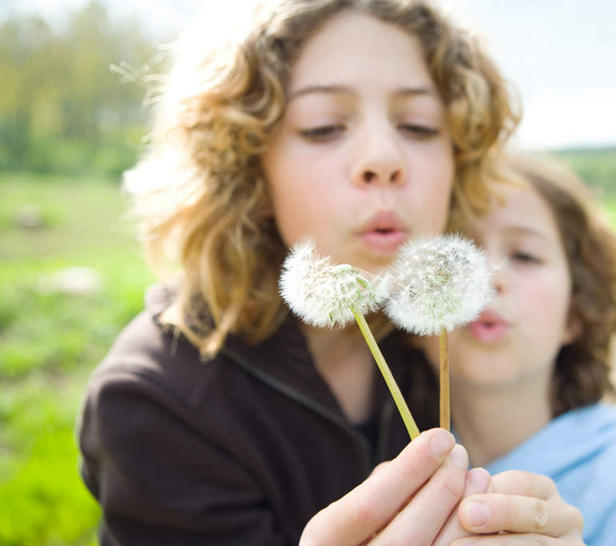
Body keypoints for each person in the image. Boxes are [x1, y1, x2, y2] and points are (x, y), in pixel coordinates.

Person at [77, 1, 583, 544]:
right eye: (323, 128)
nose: (384, 157)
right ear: (245, 165)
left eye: (419, 125)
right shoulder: (153, 404)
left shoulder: (440, 340)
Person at [424, 154, 616, 545]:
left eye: (524, 255)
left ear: (576, 312)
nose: (488, 278)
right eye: (456, 254)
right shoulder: (374, 469)